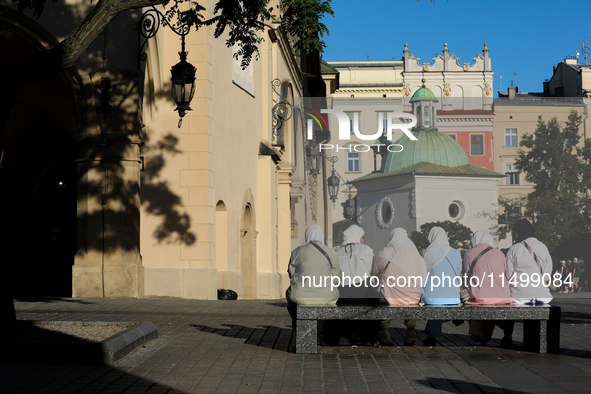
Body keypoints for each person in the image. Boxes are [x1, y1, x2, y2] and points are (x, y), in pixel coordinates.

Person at [371, 228, 428, 346]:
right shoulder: (415, 255)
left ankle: (385, 329)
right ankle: (411, 328)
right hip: (412, 298)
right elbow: (423, 276)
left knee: (384, 294)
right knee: (411, 297)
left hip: (390, 298)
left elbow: (375, 273)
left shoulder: (383, 253)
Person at [502, 219, 553, 348]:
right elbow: (547, 273)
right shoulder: (543, 246)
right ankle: (538, 341)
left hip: (519, 297)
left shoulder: (514, 248)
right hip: (541, 296)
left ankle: (508, 336)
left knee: (508, 300)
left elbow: (508, 275)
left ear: (517, 233)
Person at [286, 225, 342, 334]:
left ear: (307, 235)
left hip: (300, 296)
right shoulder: (331, 252)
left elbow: (291, 273)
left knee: (290, 298)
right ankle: (318, 333)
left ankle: (297, 325)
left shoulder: (298, 251)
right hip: (326, 296)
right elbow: (337, 277)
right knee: (326, 305)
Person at [463, 230, 511, 345]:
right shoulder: (499, 253)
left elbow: (466, 274)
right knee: (490, 300)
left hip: (480, 297)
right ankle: (486, 335)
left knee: (473, 299)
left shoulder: (469, 253)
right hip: (502, 297)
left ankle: (479, 334)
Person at [332, 224, 376, 344]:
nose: (363, 240)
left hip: (343, 292)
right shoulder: (365, 249)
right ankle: (366, 335)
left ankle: (351, 334)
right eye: (363, 237)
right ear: (357, 236)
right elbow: (370, 269)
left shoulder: (338, 252)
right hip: (362, 290)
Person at [421, 226, 462, 346]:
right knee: (441, 302)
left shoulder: (428, 253)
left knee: (434, 302)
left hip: (433, 295)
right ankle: (454, 316)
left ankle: (431, 337)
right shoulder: (456, 253)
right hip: (453, 296)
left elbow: (424, 274)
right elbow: (458, 271)